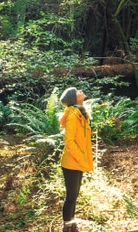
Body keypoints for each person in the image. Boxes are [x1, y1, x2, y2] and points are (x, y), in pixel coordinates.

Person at [59, 86, 93, 232]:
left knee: (74, 195)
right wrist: (81, 157)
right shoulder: (73, 115)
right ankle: (66, 228)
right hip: (71, 162)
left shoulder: (80, 113)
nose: (81, 91)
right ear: (74, 98)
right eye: (77, 91)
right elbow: (69, 141)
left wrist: (82, 158)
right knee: (71, 197)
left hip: (77, 161)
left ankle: (72, 225)